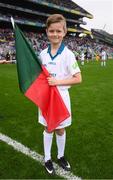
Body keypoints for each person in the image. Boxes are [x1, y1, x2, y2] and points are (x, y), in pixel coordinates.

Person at [39, 14, 82, 175]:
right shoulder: (42, 53)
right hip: (46, 98)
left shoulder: (68, 54)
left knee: (61, 129)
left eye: (58, 31)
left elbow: (78, 78)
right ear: (47, 32)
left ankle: (61, 156)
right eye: (51, 31)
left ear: (64, 32)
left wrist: (57, 82)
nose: (55, 34)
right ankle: (47, 158)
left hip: (61, 97)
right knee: (48, 128)